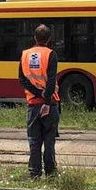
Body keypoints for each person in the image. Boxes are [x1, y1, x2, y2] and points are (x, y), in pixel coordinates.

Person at [18, 24, 60, 178]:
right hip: (50, 105)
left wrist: (37, 93)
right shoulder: (51, 54)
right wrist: (47, 101)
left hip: (33, 104)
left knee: (34, 141)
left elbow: (22, 79)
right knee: (49, 141)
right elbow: (51, 80)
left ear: (35, 38)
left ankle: (34, 173)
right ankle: (50, 172)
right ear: (49, 39)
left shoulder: (25, 54)